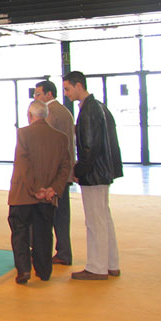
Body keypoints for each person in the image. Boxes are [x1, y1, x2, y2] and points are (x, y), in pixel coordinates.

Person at [63, 71, 123, 280]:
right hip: (103, 172)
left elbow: (89, 147)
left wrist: (79, 171)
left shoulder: (89, 110)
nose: (66, 93)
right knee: (103, 218)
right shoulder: (99, 107)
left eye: (68, 89)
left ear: (79, 86)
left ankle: (97, 267)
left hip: (94, 174)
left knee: (95, 221)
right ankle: (110, 263)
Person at [7, 100, 71, 284]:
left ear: (30, 115)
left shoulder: (23, 133)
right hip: (48, 196)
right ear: (46, 115)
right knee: (44, 232)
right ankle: (44, 271)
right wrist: (53, 189)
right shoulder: (60, 137)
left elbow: (23, 163)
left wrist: (36, 190)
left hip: (23, 194)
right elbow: (65, 167)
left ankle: (24, 270)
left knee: (20, 231)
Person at [33, 79, 76, 265]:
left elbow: (46, 144)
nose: (36, 98)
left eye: (38, 94)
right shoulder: (65, 111)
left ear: (49, 94)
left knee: (51, 216)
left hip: (54, 174)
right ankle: (64, 251)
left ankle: (60, 253)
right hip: (65, 172)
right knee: (62, 215)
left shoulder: (50, 112)